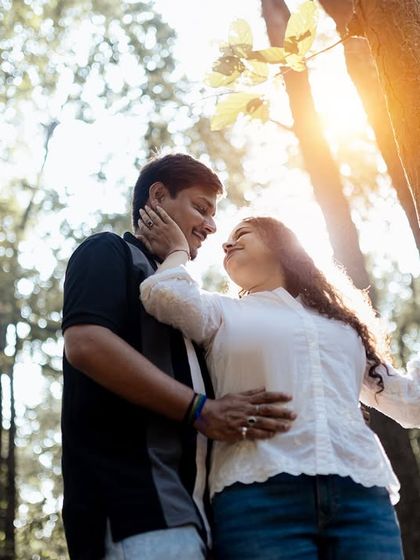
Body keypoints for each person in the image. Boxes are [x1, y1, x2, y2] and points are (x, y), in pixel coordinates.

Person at [138, 207, 420, 560]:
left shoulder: (345, 328)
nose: (227, 244)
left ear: (282, 244)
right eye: (226, 241)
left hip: (361, 494)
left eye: (241, 234)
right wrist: (178, 251)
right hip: (258, 494)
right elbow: (161, 293)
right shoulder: (222, 312)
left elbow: (412, 405)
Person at [61, 153, 295, 560]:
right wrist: (201, 410)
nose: (211, 225)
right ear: (157, 196)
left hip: (197, 517)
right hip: (134, 507)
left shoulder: (184, 297)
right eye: (200, 208)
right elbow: (85, 343)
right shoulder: (109, 251)